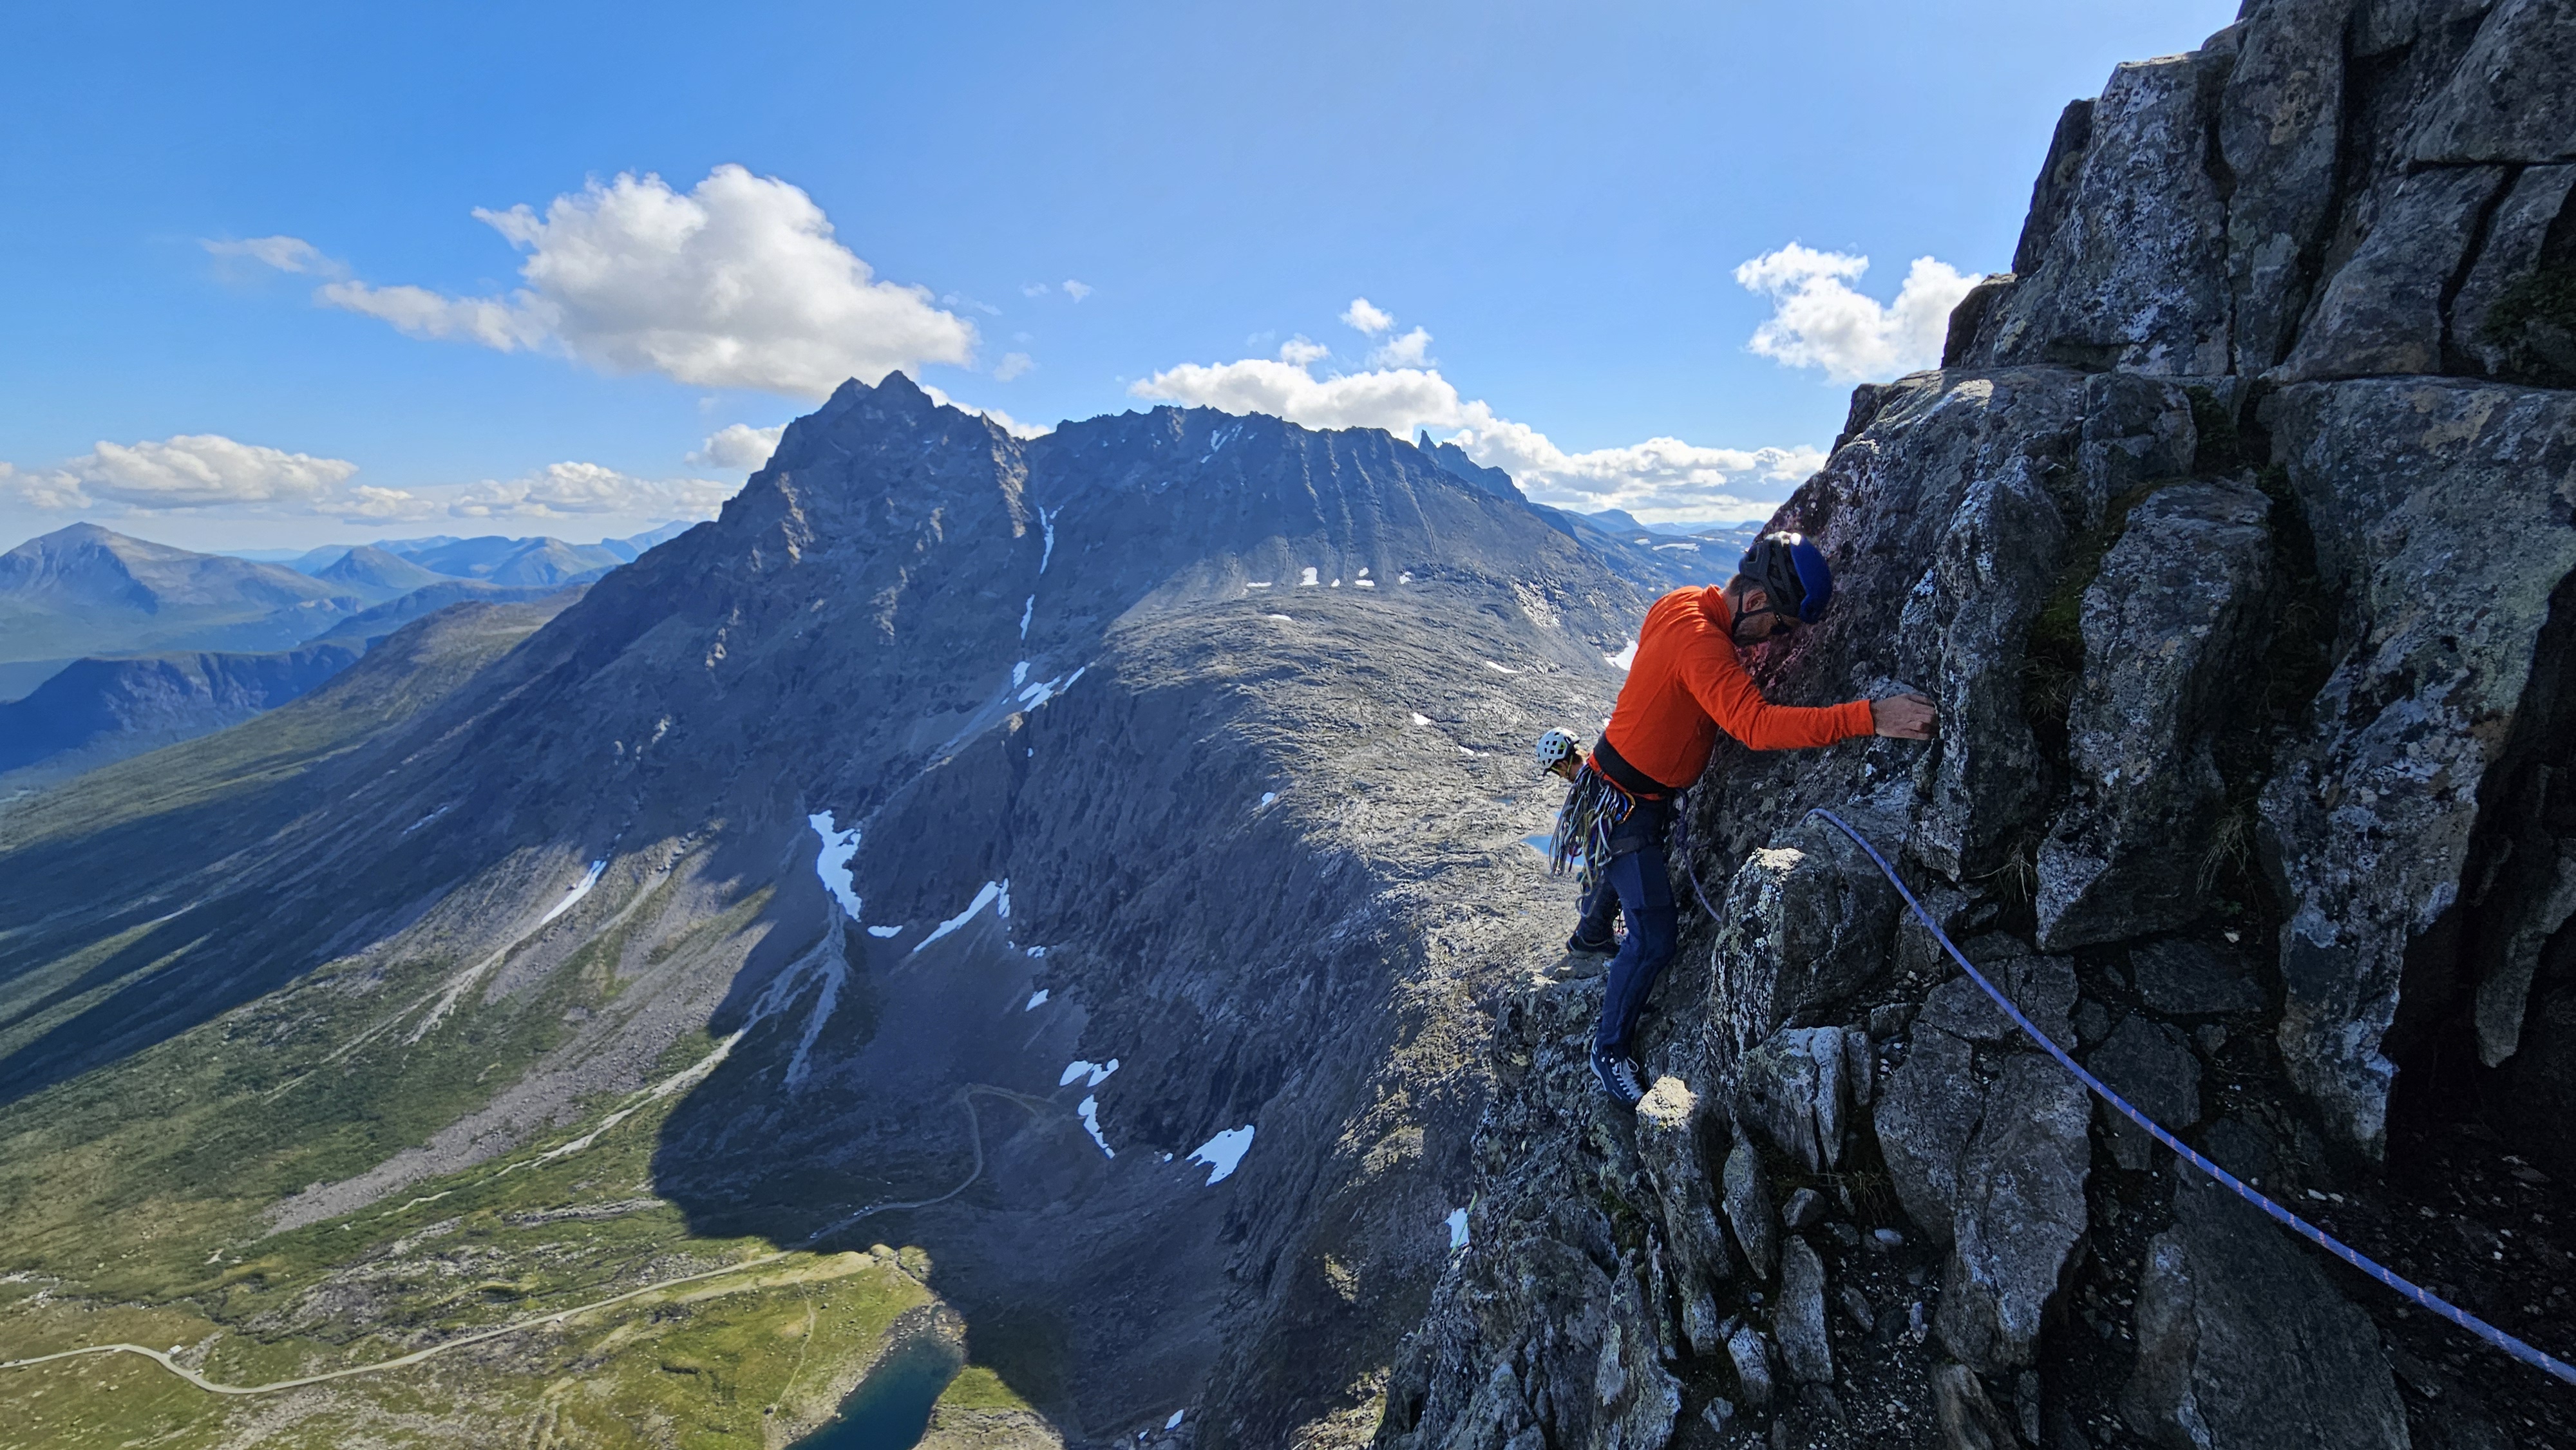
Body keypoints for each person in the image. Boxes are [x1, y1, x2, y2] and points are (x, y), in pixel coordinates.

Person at [1534, 532, 1935, 1107]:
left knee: (1618, 876)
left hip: (1610, 783)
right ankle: (1609, 1049)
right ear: (1754, 602)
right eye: (1778, 629)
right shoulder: (1704, 645)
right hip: (1628, 807)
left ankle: (1591, 935)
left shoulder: (1679, 604)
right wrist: (1869, 716)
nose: (1771, 645)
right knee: (1654, 939)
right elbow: (1757, 726)